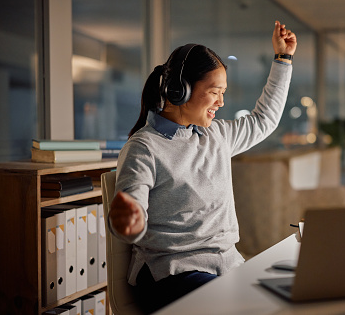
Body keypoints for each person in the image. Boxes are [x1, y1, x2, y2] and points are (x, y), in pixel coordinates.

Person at [108, 20, 297, 313]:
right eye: (214, 92)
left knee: (286, 298)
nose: (221, 102)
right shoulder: (144, 147)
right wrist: (128, 223)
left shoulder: (216, 136)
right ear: (179, 90)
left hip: (226, 266)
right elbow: (132, 215)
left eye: (223, 92)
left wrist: (283, 59)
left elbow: (263, 120)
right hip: (172, 273)